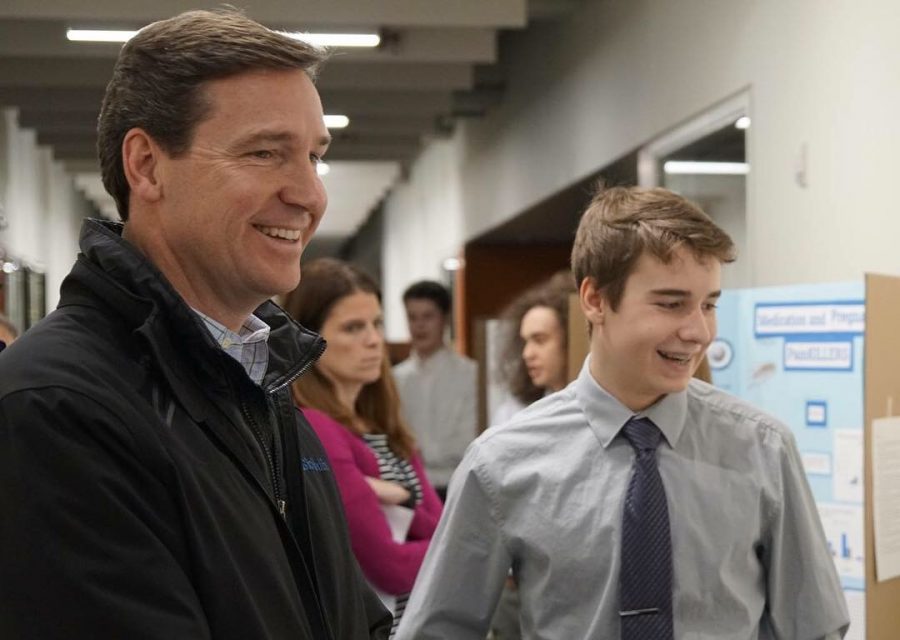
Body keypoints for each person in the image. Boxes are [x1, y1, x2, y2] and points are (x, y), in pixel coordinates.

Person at [0, 10, 390, 639]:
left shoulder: (262, 384)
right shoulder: (57, 408)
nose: (310, 195)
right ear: (147, 165)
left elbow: (347, 616)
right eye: (265, 153)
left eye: (314, 157)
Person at [396, 186, 849, 639]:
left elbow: (814, 628)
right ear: (594, 300)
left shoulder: (763, 448)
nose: (698, 331)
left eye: (708, 305)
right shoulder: (501, 464)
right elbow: (437, 630)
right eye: (671, 304)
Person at [283, 259, 443, 638]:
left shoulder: (384, 427)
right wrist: (451, 542)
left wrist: (399, 499)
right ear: (309, 338)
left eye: (376, 324)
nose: (373, 340)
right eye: (353, 328)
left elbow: (441, 526)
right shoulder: (318, 428)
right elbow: (389, 566)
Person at [393, 280, 478, 498]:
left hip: (457, 487)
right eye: (412, 317)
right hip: (406, 490)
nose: (419, 326)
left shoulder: (471, 375)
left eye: (428, 316)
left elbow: (469, 441)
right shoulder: (395, 379)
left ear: (445, 320)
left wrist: (417, 451)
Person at [492, 271, 576, 425]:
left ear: (572, 339)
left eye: (540, 340)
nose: (527, 354)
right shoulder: (514, 414)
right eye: (525, 342)